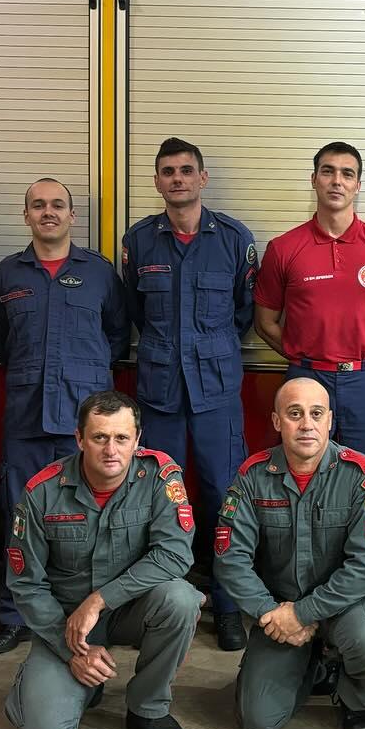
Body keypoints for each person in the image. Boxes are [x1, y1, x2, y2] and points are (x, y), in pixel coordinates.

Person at [254, 142, 365, 631]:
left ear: (358, 183)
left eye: (347, 173)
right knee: (299, 483)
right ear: (314, 179)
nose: (337, 181)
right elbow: (266, 320)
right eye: (328, 171)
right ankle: (296, 597)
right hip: (306, 378)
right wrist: (307, 360)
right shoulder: (285, 248)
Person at [4, 390, 202, 729]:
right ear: (79, 439)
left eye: (121, 438)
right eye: (99, 438)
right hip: (67, 623)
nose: (111, 449)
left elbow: (175, 554)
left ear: (137, 440)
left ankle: (147, 709)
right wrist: (69, 651)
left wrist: (100, 600)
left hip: (130, 609)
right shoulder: (43, 492)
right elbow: (26, 583)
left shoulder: (160, 477)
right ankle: (38, 684)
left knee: (181, 599)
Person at [0, 178, 130, 656]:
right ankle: (14, 614)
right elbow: (3, 343)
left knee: (91, 520)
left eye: (58, 205)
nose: (49, 212)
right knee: (19, 518)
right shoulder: (7, 276)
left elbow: (118, 336)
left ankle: (90, 614)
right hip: (26, 419)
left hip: (85, 426)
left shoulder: (100, 274)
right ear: (26, 215)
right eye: (38, 205)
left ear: (72, 216)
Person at [123, 138, 256, 653]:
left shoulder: (233, 239)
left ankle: (226, 606)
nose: (177, 179)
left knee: (225, 498)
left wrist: (211, 348)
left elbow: (244, 310)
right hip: (159, 393)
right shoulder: (139, 242)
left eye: (186, 171)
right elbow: (134, 310)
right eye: (167, 172)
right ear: (157, 182)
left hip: (217, 392)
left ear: (202, 179)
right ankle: (163, 601)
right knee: (161, 500)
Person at [214, 377, 365, 729]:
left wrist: (302, 614)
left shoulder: (362, 476)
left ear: (330, 420)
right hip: (278, 608)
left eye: (316, 413)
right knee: (257, 720)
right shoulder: (252, 477)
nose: (306, 424)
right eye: (294, 414)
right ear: (277, 421)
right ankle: (313, 665)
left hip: (346, 607)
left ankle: (357, 699)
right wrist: (274, 614)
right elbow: (230, 560)